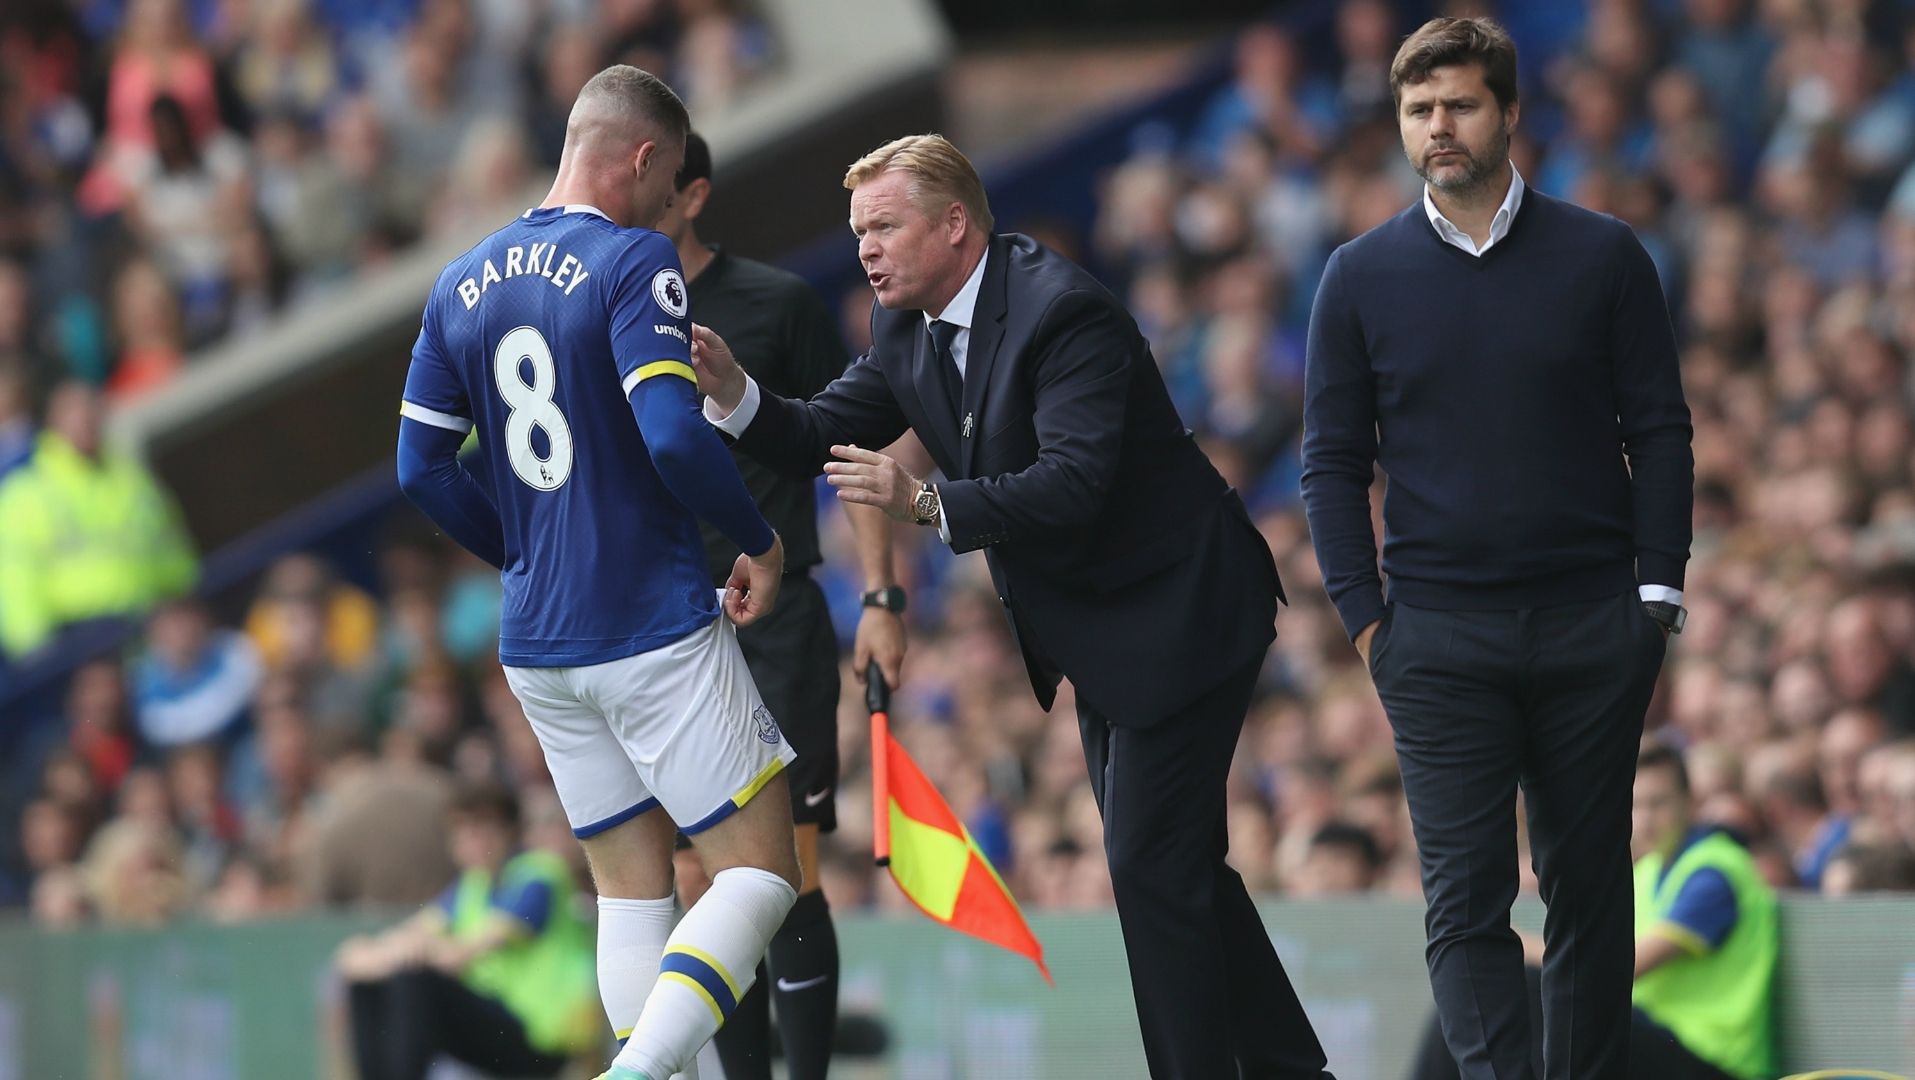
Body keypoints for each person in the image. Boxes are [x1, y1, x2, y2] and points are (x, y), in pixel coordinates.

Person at [693, 133, 1332, 1080]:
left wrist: (925, 503)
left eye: (884, 227)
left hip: (1184, 610)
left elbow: (1072, 482)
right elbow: (820, 429)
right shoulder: (903, 324)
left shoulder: (1060, 310)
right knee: (1178, 868)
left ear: (954, 224)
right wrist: (735, 393)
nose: (865, 249)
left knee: (1150, 867)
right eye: (858, 230)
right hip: (1104, 633)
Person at [1301, 18, 1693, 1080]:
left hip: (1592, 626)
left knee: (1588, 892)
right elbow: (1330, 463)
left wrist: (1655, 597)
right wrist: (1366, 622)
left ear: (1509, 112)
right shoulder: (1355, 276)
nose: (1438, 126)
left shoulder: (1602, 255)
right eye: (1418, 109)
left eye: (1460, 105)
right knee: (1463, 901)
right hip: (1434, 639)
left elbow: (1659, 431)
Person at [394, 65, 800, 1080]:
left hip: (538, 643)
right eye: (668, 185)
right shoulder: (632, 260)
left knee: (631, 895)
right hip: (646, 620)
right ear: (643, 156)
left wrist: (524, 551)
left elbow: (419, 468)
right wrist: (757, 539)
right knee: (761, 874)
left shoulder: (460, 279)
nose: (668, 210)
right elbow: (673, 433)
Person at [658, 130, 904, 1080]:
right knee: (696, 876)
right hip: (663, 631)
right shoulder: (602, 313)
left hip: (775, 617)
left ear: (692, 194)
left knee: (780, 868)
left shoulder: (777, 303)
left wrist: (879, 594)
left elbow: (850, 451)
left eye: (650, 186)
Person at [1405, 741, 1778, 1080]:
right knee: (1473, 990)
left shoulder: (1714, 872)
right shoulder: (1648, 870)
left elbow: (1614, 969)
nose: (1646, 818)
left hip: (1712, 1062)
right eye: (1638, 804)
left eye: (1659, 803)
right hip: (1658, 1042)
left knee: (1504, 979)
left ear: (1689, 802)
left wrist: (1497, 941)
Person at [336, 782, 601, 1080]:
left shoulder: (540, 875)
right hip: (502, 1025)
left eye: (482, 828)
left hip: (544, 1040)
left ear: (510, 831)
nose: (471, 841)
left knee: (416, 980)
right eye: (461, 832)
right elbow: (389, 944)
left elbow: (459, 955)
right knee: (368, 984)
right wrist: (371, 953)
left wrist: (397, 955)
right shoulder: (472, 885)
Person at [0, 379, 198, 660]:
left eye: (91, 412)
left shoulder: (134, 480)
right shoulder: (25, 494)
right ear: (52, 422)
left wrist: (187, 605)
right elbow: (16, 582)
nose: (84, 422)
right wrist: (39, 655)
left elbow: (173, 551)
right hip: (77, 642)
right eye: (73, 413)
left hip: (152, 629)